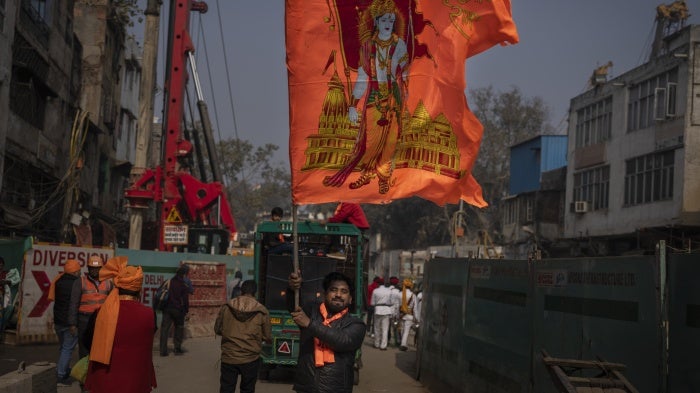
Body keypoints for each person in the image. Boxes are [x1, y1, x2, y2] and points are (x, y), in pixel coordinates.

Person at [323, 0, 409, 195]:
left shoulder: (400, 44)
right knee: (370, 142)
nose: (388, 23)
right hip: (374, 98)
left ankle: (384, 178)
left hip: (394, 99)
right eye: (384, 19)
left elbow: (405, 73)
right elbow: (362, 78)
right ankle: (368, 173)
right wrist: (352, 105)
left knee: (390, 142)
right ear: (376, 22)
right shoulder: (367, 46)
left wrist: (407, 89)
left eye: (391, 19)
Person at [83, 256, 157, 393]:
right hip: (136, 381)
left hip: (104, 380)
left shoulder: (101, 313)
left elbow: (87, 342)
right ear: (139, 290)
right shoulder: (150, 314)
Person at [287, 271, 365, 393]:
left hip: (336, 389)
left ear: (350, 299)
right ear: (325, 294)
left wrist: (310, 324)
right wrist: (293, 288)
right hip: (306, 388)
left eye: (344, 292)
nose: (338, 295)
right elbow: (294, 305)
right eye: (333, 290)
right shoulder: (311, 312)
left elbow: (342, 341)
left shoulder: (356, 324)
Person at [214, 280, 272, 393]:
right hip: (251, 358)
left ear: (241, 291)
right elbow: (267, 336)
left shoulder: (227, 307)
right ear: (255, 292)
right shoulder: (262, 311)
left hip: (229, 356)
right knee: (247, 389)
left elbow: (217, 329)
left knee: (226, 389)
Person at [48, 259, 82, 386]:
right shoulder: (77, 283)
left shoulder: (58, 281)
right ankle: (61, 374)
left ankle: (63, 369)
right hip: (70, 323)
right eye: (78, 270)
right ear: (75, 271)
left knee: (63, 347)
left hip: (58, 322)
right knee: (67, 348)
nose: (80, 272)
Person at [74, 255, 114, 359]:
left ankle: (96, 373)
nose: (95, 270)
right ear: (88, 268)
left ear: (101, 269)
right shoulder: (80, 282)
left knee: (100, 347)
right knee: (84, 348)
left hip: (101, 319)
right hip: (84, 319)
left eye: (97, 268)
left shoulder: (108, 284)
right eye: (92, 268)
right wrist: (72, 324)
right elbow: (73, 304)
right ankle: (84, 373)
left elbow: (112, 304)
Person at [159, 264, 192, 356]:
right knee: (179, 328)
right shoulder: (184, 285)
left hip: (167, 309)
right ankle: (177, 349)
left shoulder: (168, 282)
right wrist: (186, 311)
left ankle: (163, 351)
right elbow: (185, 300)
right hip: (178, 310)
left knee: (165, 330)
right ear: (184, 275)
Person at [370, 278, 393, 350]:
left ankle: (376, 344)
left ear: (378, 283)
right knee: (385, 329)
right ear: (384, 283)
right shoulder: (389, 291)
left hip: (378, 310)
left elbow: (372, 303)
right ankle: (383, 346)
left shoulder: (375, 291)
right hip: (386, 310)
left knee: (376, 328)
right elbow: (391, 302)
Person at [398, 278, 415, 351]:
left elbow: (396, 306)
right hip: (409, 315)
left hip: (401, 314)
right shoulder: (413, 295)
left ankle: (403, 343)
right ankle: (403, 344)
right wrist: (416, 317)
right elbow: (415, 307)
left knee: (402, 330)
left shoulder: (399, 294)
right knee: (406, 330)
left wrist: (396, 315)